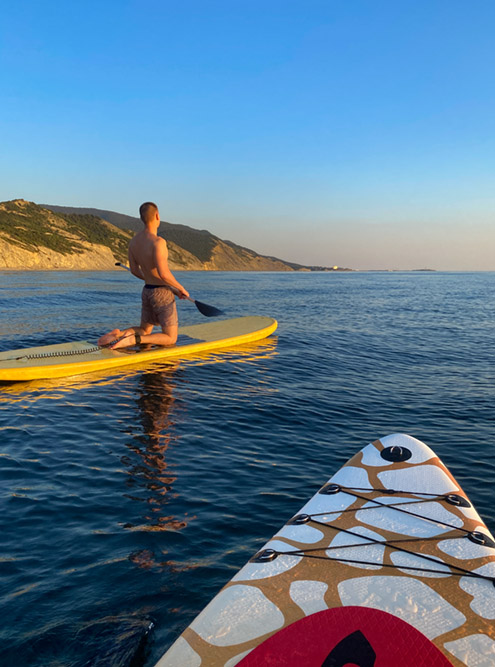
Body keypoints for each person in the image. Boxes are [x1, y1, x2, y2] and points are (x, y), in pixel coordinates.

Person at [98, 202, 190, 349]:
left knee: (145, 329)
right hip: (162, 294)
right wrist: (181, 288)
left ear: (142, 218)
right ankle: (134, 340)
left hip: (147, 291)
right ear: (157, 215)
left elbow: (134, 271)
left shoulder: (133, 242)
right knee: (171, 338)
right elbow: (164, 274)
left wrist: (151, 279)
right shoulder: (158, 242)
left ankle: (120, 334)